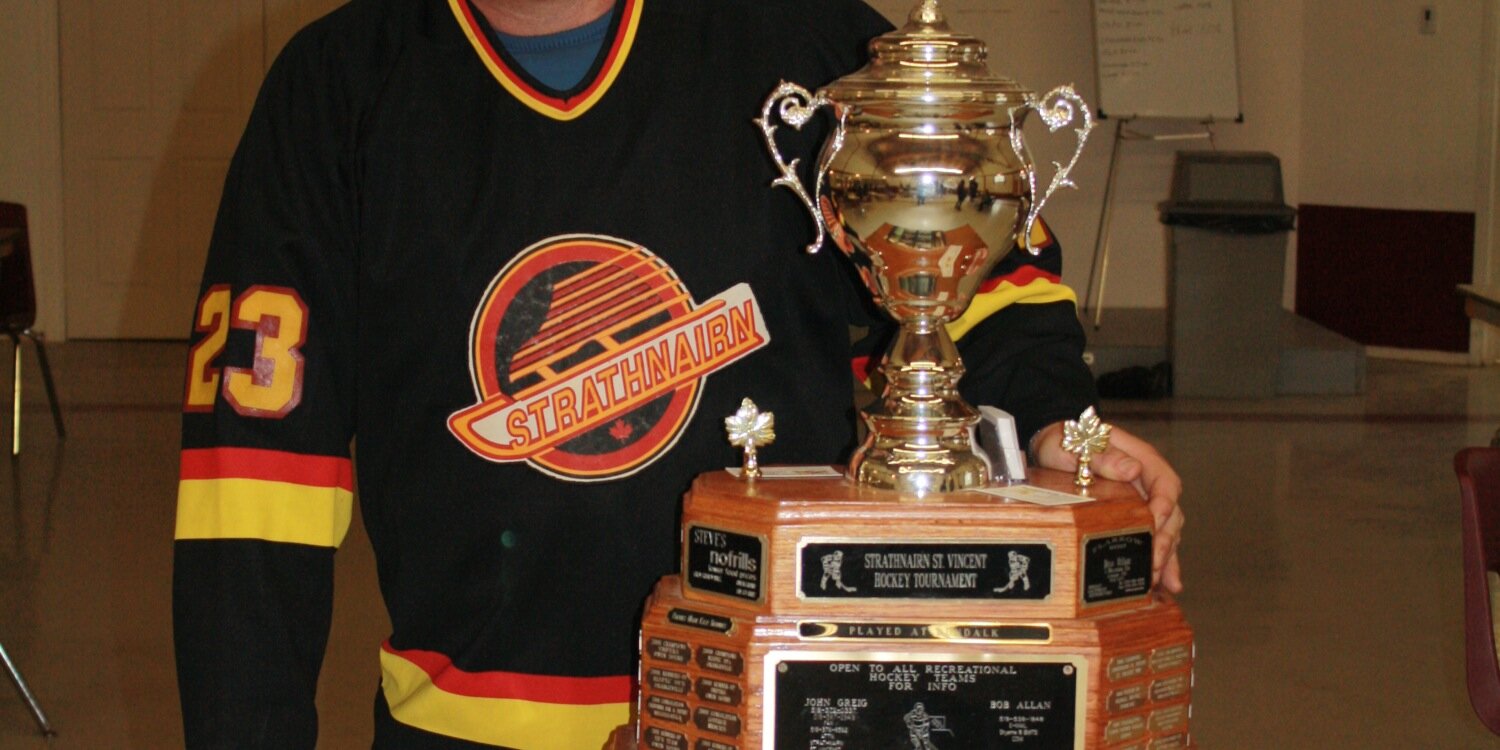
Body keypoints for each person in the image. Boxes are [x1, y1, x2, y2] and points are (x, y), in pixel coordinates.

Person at [172, 0, 1183, 748]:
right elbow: (254, 482)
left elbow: (983, 276)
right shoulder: (336, 89)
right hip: (463, 727)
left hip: (790, 711)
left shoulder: (810, 53)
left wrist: (1055, 424)